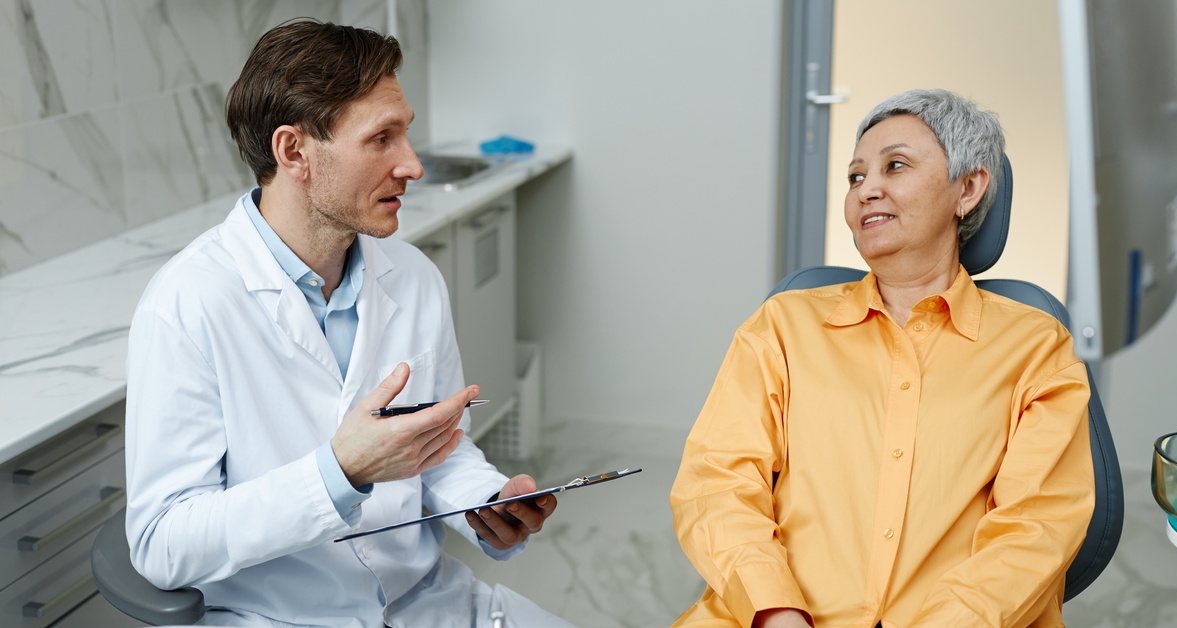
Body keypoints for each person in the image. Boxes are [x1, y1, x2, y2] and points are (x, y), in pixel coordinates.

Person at [125, 19, 571, 627]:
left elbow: (439, 448)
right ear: (294, 152)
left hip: (430, 605)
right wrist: (340, 473)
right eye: (381, 139)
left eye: (406, 134)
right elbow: (163, 544)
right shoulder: (188, 303)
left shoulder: (412, 277)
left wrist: (485, 501)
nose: (411, 165)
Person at [670, 89, 1094, 628]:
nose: (867, 189)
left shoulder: (1036, 347)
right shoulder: (782, 326)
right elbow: (715, 484)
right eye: (855, 177)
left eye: (894, 166)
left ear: (967, 188)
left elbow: (1038, 526)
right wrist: (775, 612)